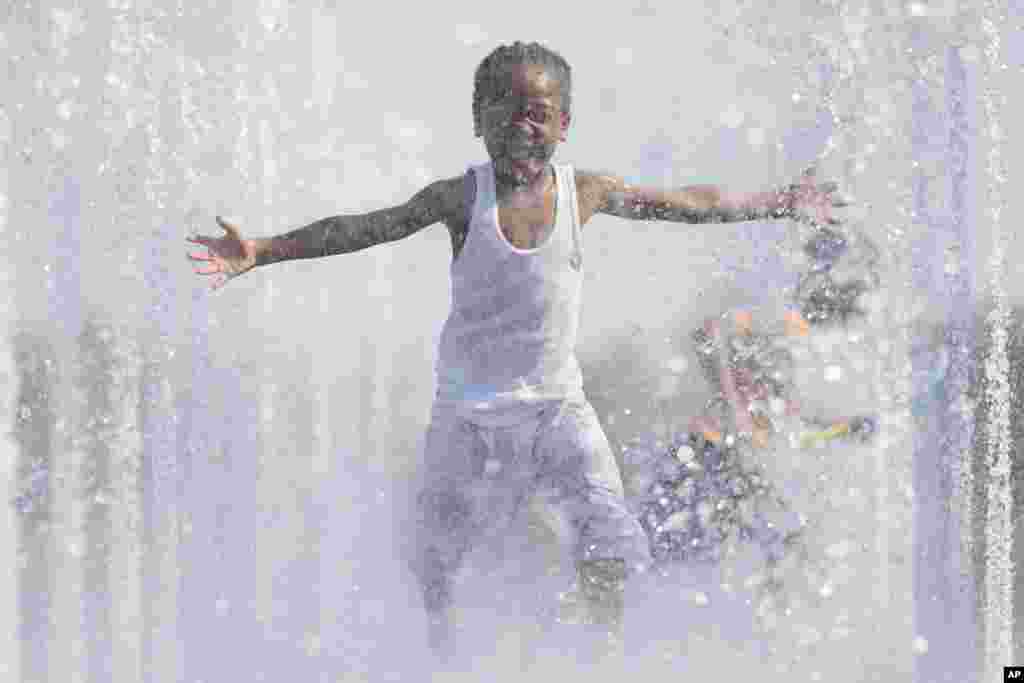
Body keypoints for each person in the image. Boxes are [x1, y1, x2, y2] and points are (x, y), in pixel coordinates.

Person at [186, 41, 848, 659]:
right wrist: (264, 251)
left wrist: (781, 201)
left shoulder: (583, 193)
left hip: (557, 408)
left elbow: (688, 203)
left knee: (612, 536)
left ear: (565, 124)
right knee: (436, 548)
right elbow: (365, 227)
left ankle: (603, 656)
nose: (525, 126)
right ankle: (436, 653)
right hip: (466, 412)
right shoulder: (459, 198)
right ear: (479, 120)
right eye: (507, 110)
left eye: (541, 114)